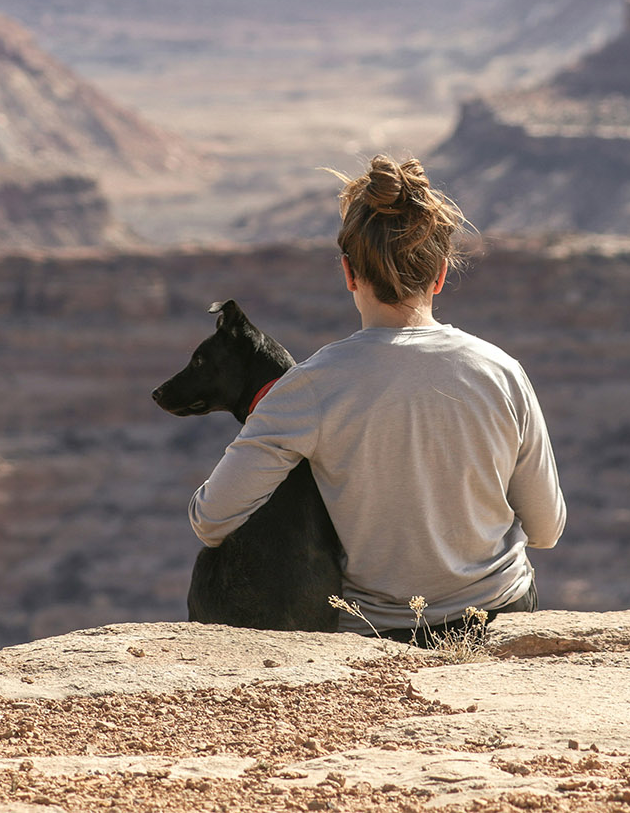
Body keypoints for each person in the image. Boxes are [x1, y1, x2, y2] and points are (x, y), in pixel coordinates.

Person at [186, 155, 566, 643]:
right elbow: (546, 530)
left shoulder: (309, 387)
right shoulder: (502, 372)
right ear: (440, 274)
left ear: (348, 272)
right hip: (498, 618)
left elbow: (210, 519)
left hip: (378, 633)